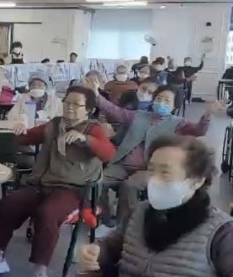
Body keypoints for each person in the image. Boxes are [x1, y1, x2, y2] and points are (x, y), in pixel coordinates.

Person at [54, 136, 233, 277]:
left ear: (196, 181)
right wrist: (96, 251)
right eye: (151, 170)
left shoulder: (221, 230)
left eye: (165, 172)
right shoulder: (140, 211)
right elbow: (113, 245)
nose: (154, 180)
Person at [0, 86, 116, 277]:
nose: (69, 108)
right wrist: (19, 130)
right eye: (67, 102)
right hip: (42, 185)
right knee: (9, 203)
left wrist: (85, 140)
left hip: (73, 189)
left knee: (48, 213)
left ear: (88, 109)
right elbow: (27, 138)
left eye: (76, 104)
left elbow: (109, 153)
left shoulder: (93, 129)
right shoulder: (55, 124)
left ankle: (40, 275)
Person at [88, 77, 222, 226]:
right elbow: (115, 111)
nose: (161, 103)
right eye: (158, 99)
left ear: (174, 106)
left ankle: (125, 224)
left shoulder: (178, 123)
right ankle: (104, 218)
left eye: (167, 101)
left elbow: (199, 130)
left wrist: (207, 115)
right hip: (122, 164)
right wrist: (96, 94)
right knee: (98, 181)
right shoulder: (138, 115)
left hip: (150, 169)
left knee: (130, 186)